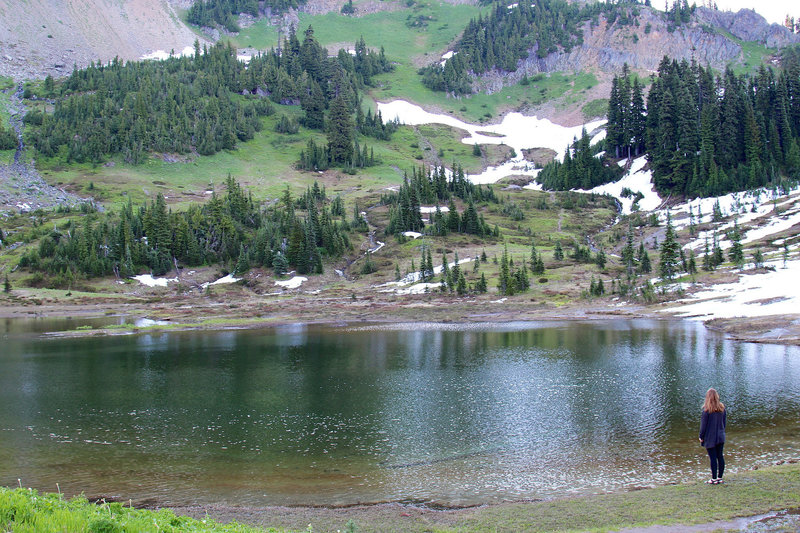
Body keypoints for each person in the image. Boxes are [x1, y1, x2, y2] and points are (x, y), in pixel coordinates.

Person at [699, 387, 727, 484]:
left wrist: (701, 437)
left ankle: (714, 478)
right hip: (720, 436)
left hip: (710, 438)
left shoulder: (706, 411)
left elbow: (703, 427)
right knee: (720, 456)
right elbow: (724, 423)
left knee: (713, 458)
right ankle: (720, 477)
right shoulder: (722, 409)